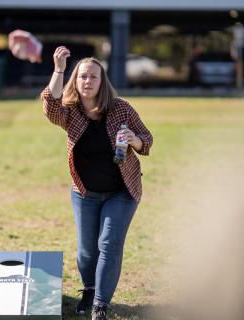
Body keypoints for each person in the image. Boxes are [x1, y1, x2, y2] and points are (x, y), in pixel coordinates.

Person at [41, 46, 153, 320]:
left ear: (102, 82)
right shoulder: (70, 112)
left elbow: (147, 140)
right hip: (84, 192)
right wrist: (58, 69)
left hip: (121, 191)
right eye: (82, 77)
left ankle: (100, 305)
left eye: (93, 77)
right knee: (87, 251)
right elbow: (49, 105)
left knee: (109, 244)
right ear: (75, 82)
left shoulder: (121, 109)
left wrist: (134, 139)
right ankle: (90, 289)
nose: (87, 81)